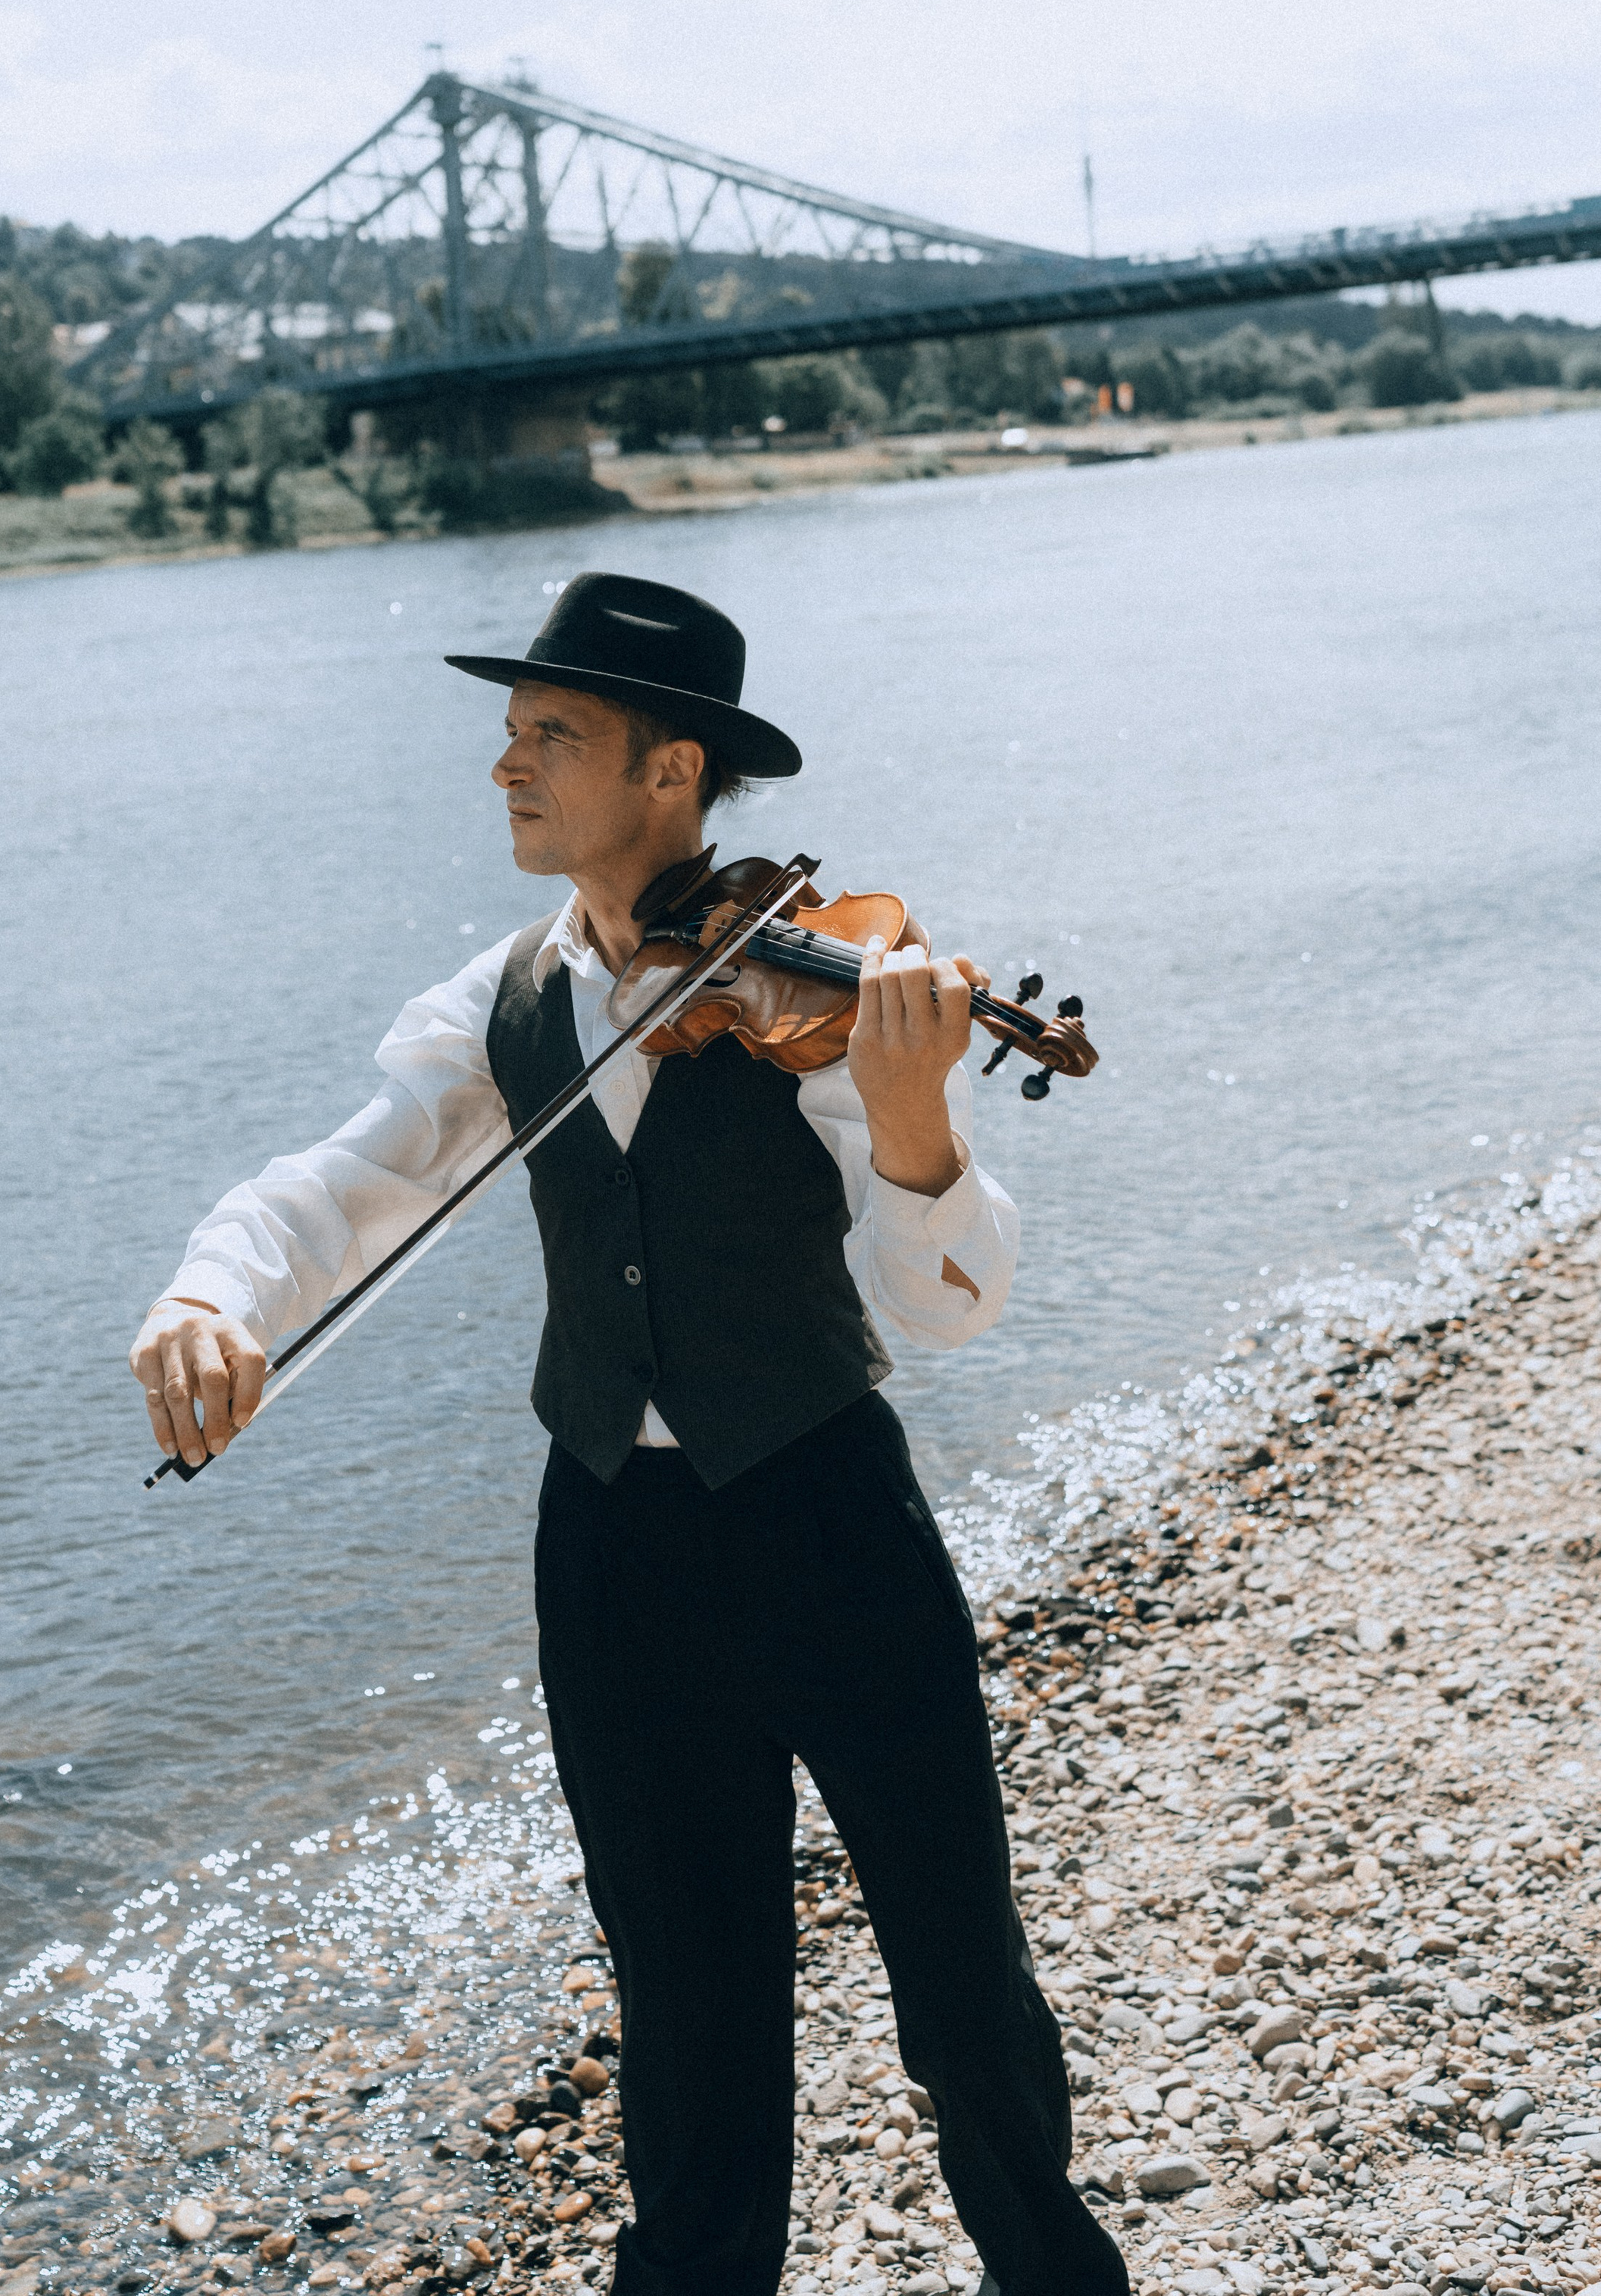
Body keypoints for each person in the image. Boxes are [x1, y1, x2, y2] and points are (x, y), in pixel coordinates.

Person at [130, 572, 1126, 2296]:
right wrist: (210, 1295)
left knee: (959, 1983)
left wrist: (913, 1123)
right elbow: (344, 1186)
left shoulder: (825, 990)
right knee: (681, 2006)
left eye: (549, 737)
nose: (505, 768)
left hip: (825, 1513)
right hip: (610, 1547)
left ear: (672, 771)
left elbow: (947, 1304)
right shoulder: (502, 1001)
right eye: (508, 733)